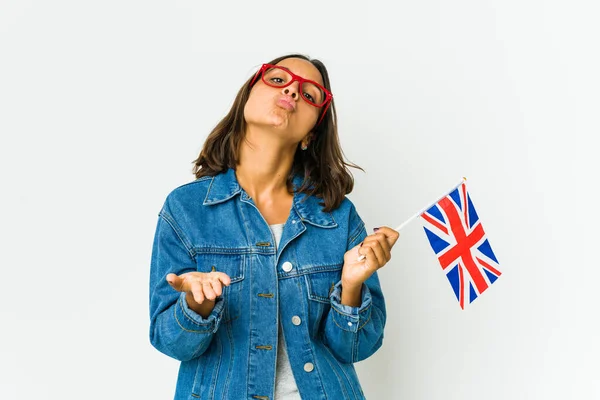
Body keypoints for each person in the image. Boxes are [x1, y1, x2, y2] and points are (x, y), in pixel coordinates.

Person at [148, 53, 400, 399]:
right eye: (279, 79)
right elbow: (170, 342)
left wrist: (351, 286)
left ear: (312, 132)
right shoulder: (186, 209)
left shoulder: (339, 217)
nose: (293, 91)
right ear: (246, 98)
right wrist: (196, 305)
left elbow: (357, 348)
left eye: (310, 94)